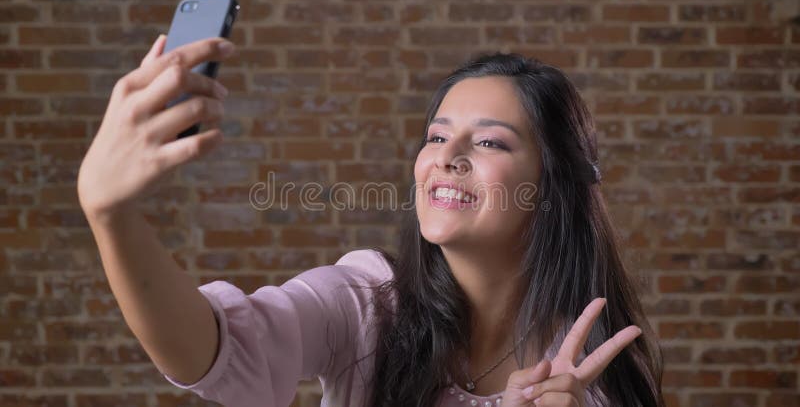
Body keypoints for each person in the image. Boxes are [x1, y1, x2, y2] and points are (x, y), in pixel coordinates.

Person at [78, 35, 664, 407]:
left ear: (551, 185)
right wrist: (112, 216)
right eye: (436, 136)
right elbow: (210, 349)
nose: (446, 157)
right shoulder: (365, 306)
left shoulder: (591, 373)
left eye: (488, 141)